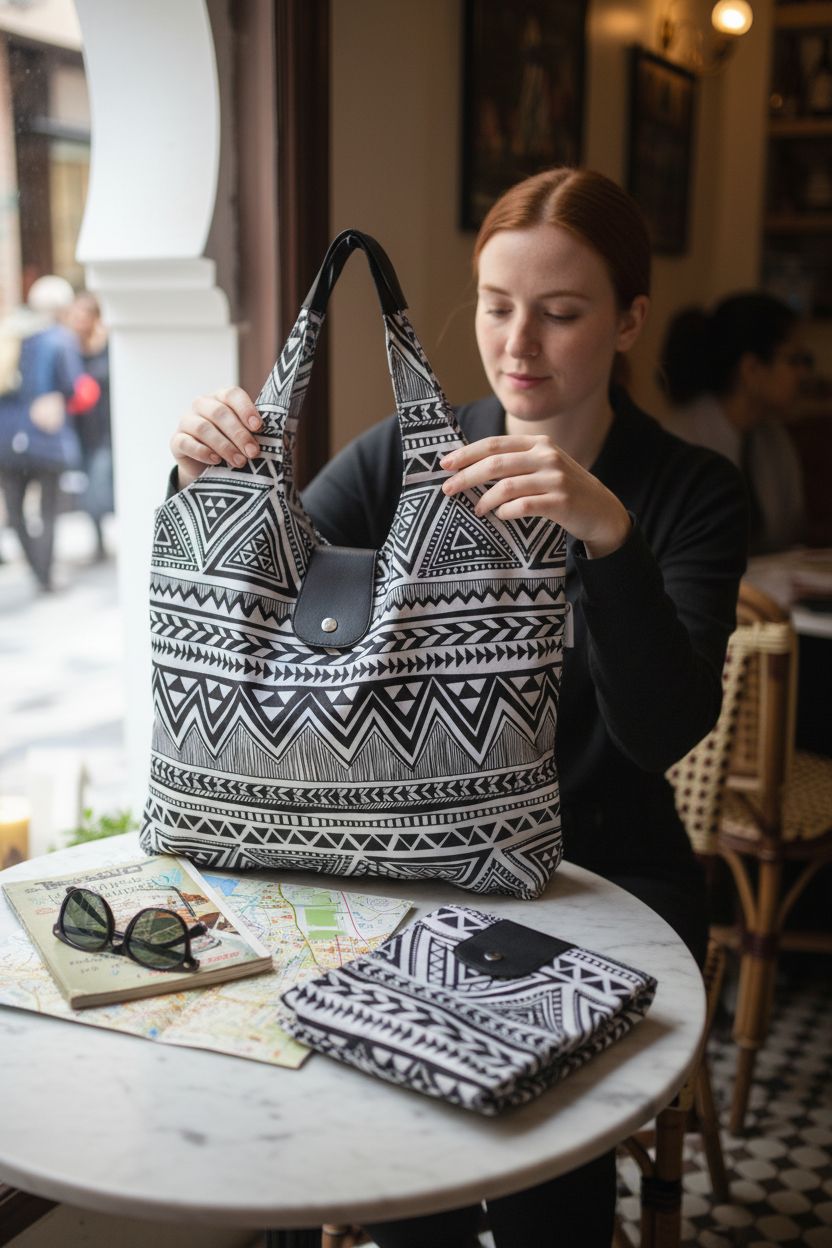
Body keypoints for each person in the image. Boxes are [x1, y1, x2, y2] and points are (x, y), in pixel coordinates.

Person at [169, 168, 747, 1247]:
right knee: (360, 1096)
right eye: (495, 306)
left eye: (562, 313)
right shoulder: (414, 453)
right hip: (413, 861)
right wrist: (215, 470)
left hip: (606, 873)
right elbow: (271, 606)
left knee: (516, 1118)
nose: (518, 343)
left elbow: (659, 733)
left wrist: (606, 541)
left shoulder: (687, 493)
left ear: (627, 320)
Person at [659, 293, 811, 554]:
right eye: (794, 360)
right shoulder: (679, 442)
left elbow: (789, 533)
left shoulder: (774, 437)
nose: (803, 374)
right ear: (750, 368)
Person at [0, 276, 90, 592]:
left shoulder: (12, 335)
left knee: (15, 510)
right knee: (49, 509)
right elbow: (74, 386)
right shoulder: (60, 339)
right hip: (47, 436)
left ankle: (37, 568)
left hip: (7, 437)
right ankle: (45, 573)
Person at [66, 292, 113, 560]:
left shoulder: (108, 347)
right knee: (87, 488)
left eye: (82, 316)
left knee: (99, 486)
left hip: (106, 431)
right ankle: (99, 540)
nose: (78, 321)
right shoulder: (70, 350)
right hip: (81, 430)